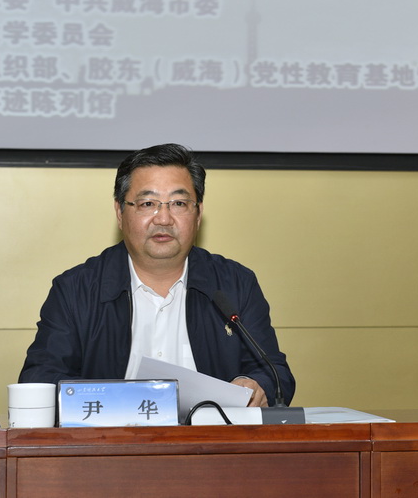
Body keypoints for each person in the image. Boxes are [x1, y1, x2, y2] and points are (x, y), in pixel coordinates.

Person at [19, 143, 295, 407]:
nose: (163, 219)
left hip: (209, 437)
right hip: (112, 437)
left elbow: (274, 372)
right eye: (148, 203)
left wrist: (258, 385)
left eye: (178, 203)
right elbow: (40, 378)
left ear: (198, 213)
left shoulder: (235, 284)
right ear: (120, 212)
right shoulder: (76, 289)